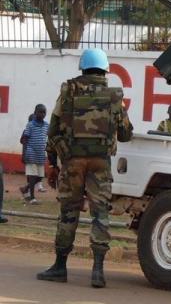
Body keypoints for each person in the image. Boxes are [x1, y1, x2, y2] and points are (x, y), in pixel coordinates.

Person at [37, 48, 133, 288]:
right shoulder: (114, 95)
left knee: (69, 211)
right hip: (101, 162)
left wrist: (52, 163)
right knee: (100, 213)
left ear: (83, 67)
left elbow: (53, 131)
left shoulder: (68, 90)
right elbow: (125, 134)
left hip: (72, 162)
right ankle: (98, 271)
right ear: (104, 69)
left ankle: (60, 267)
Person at [19, 104, 49, 205]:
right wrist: (24, 154)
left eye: (44, 112)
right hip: (31, 153)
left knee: (40, 177)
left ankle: (25, 188)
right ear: (35, 112)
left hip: (41, 155)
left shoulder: (46, 125)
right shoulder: (30, 125)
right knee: (32, 176)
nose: (42, 114)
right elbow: (25, 140)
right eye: (40, 111)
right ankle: (32, 198)